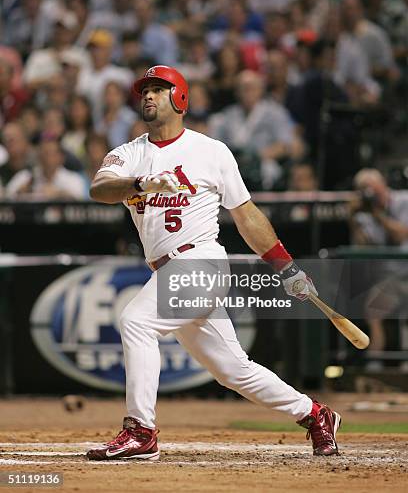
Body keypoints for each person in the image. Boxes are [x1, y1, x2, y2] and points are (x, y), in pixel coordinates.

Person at [87, 64, 340, 461]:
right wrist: (141, 183)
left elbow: (246, 215)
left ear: (180, 98)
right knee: (233, 370)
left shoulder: (210, 150)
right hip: (167, 270)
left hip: (199, 262)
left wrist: (286, 267)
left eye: (158, 89)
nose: (148, 96)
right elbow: (99, 189)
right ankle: (316, 415)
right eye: (145, 91)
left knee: (136, 321)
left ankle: (141, 431)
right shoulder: (128, 153)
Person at [349, 168, 408, 367]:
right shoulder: (365, 212)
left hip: (405, 271)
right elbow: (363, 246)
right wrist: (353, 220)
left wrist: (379, 215)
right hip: (391, 278)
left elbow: (401, 234)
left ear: (383, 184)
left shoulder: (403, 200)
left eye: (374, 188)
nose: (372, 194)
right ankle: (374, 366)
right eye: (365, 190)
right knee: (373, 310)